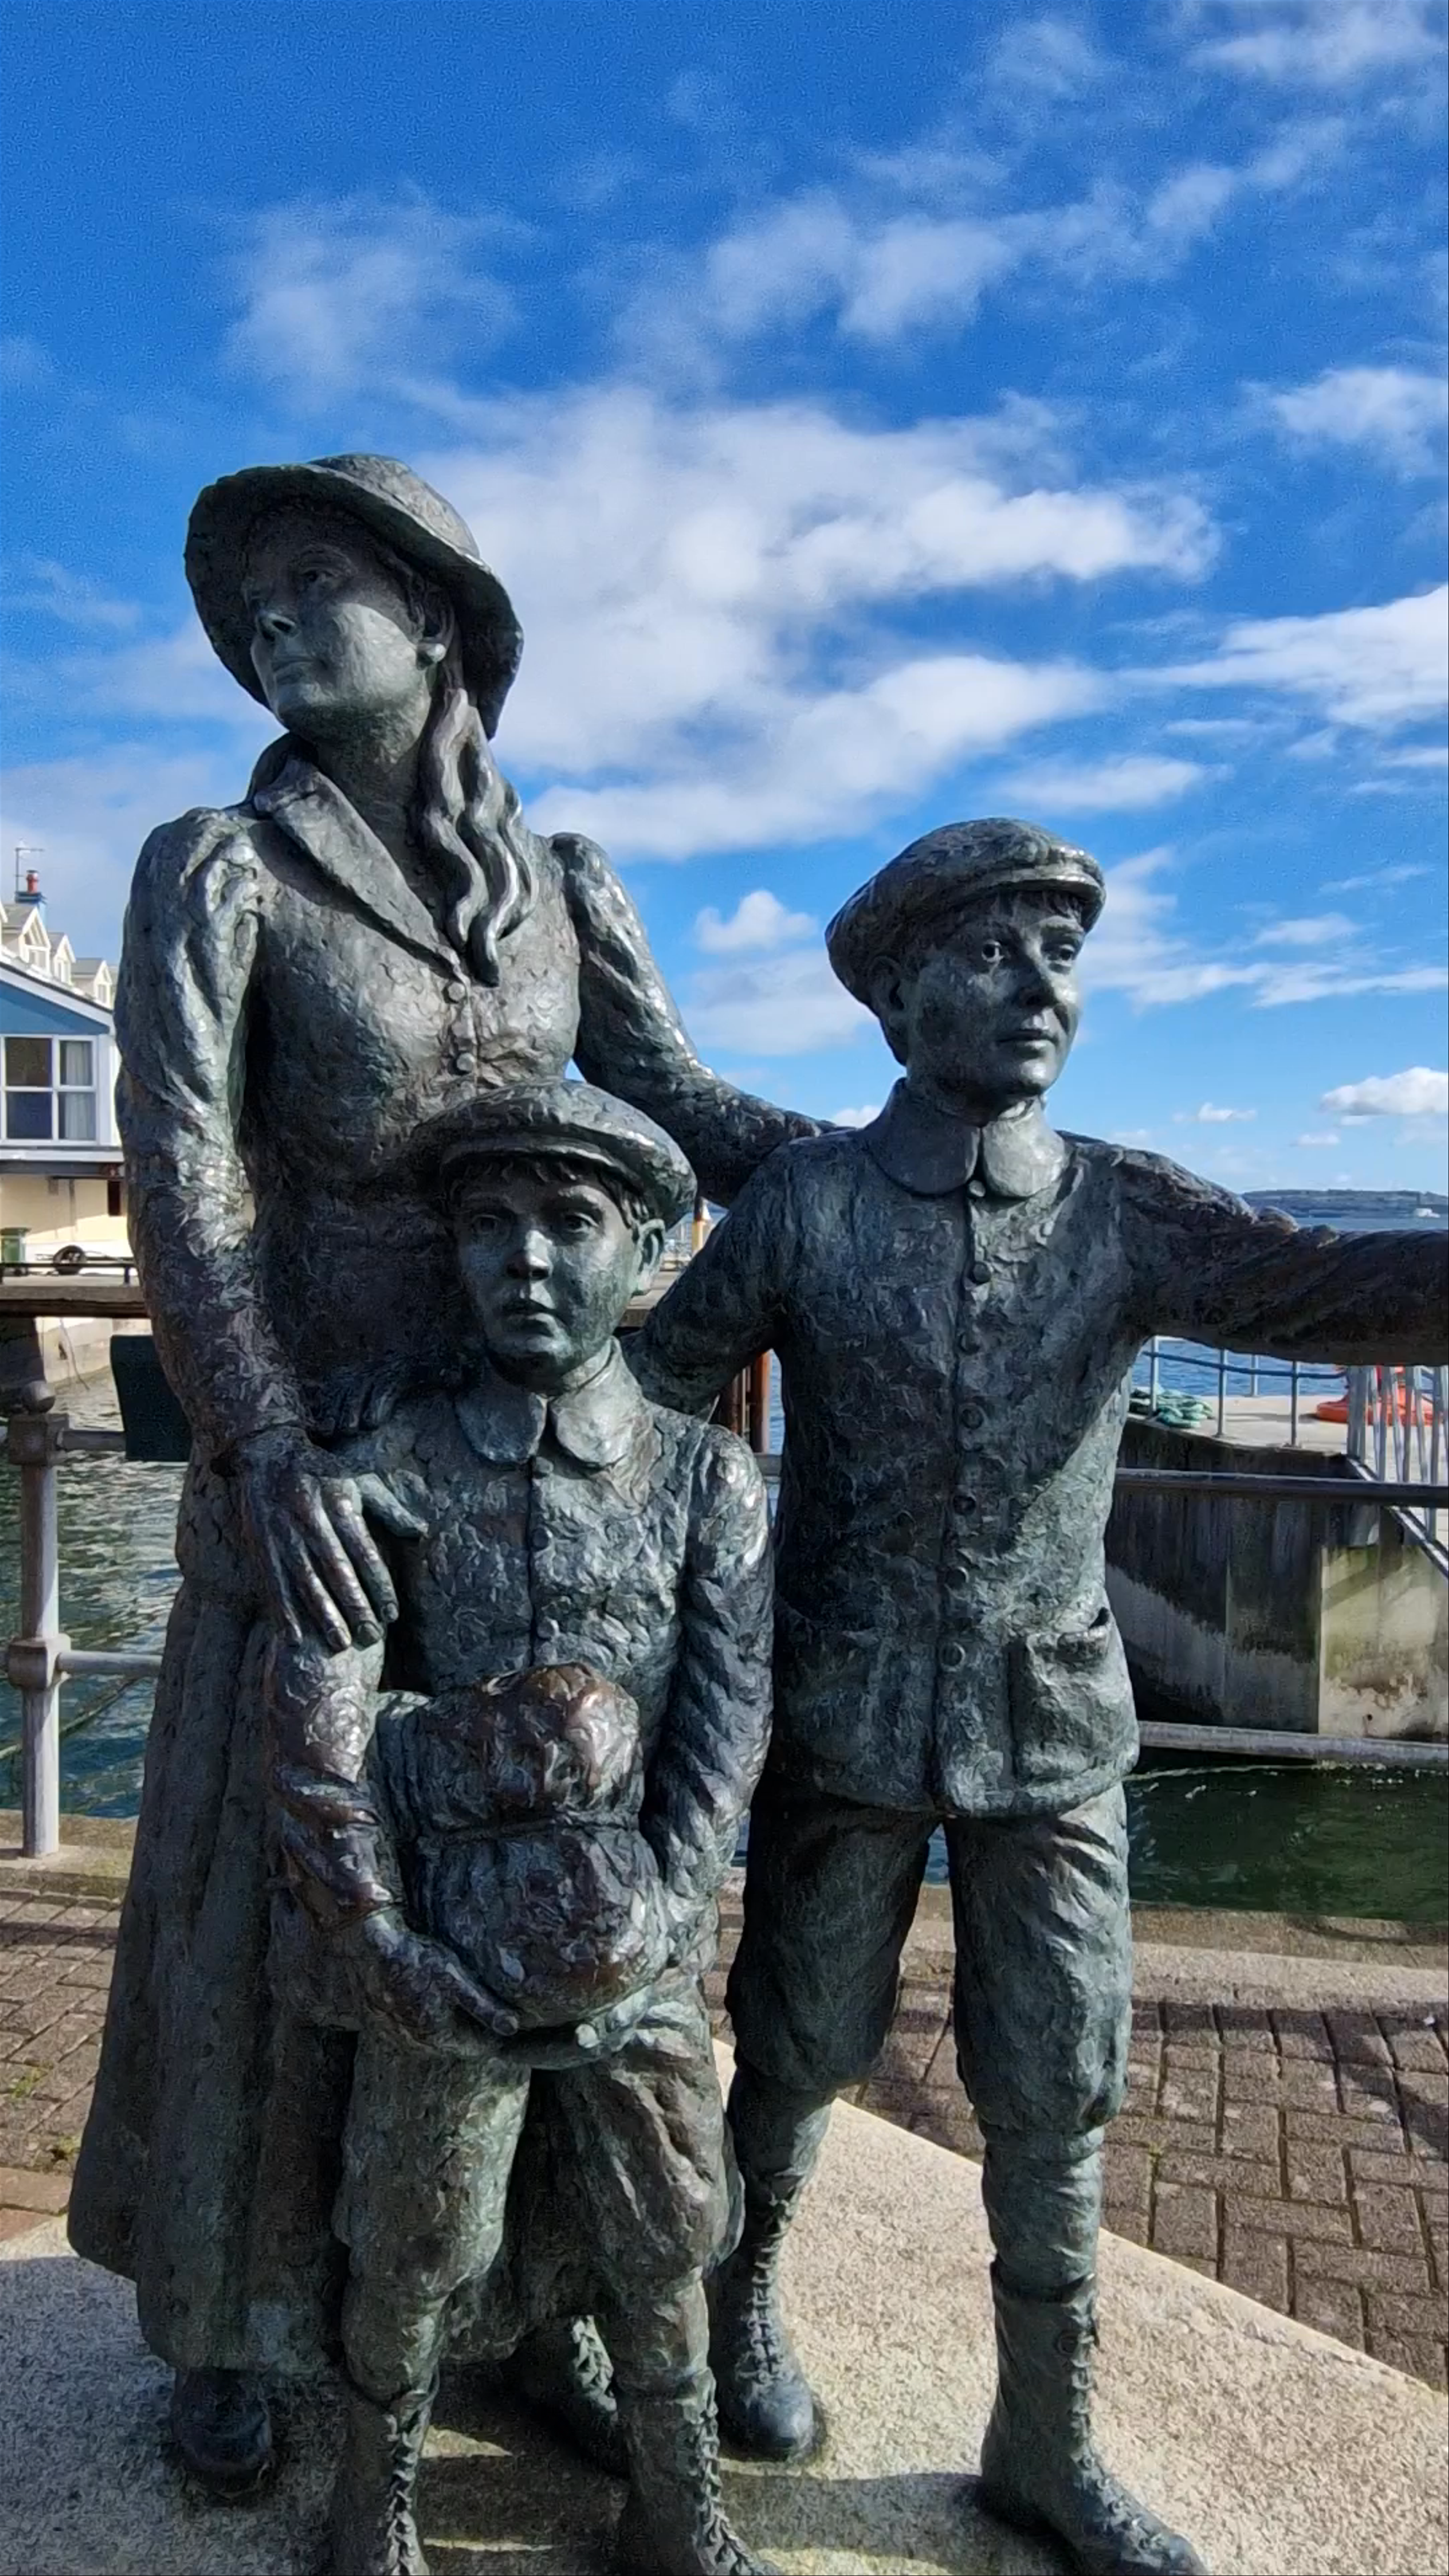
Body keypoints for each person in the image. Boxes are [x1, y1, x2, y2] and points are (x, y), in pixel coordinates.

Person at [68, 454, 813, 2494]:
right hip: (320, 1446)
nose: (272, 630)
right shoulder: (220, 864)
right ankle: (232, 2312)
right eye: (248, 610)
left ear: (439, 617)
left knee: (559, 1854)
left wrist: (868, 1165)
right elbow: (189, 1178)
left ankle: (532, 2298)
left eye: (317, 587)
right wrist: (260, 1440)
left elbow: (675, 1103)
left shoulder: (567, 882)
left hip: (545, 1441)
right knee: (266, 1880)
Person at [631, 817, 1449, 2576]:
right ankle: (738, 2311)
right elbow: (645, 1399)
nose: (1038, 987)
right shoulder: (808, 1205)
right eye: (995, 950)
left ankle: (1047, 2436)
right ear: (901, 987)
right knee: (791, 2047)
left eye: (1062, 955)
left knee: (1059, 2083)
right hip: (842, 1715)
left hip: (1054, 1729)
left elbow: (1338, 1285)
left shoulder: (1127, 1207)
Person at [265, 1082, 775, 2576]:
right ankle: (381, 2490)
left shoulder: (708, 1477)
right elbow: (321, 1726)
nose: (529, 1259)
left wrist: (664, 1917)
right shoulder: (387, 1470)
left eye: (573, 1222)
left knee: (670, 2224)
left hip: (645, 1947)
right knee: (413, 2237)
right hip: (443, 1951)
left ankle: (677, 2495)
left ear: (650, 1245)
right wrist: (379, 1937)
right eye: (490, 1223)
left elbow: (728, 1719)